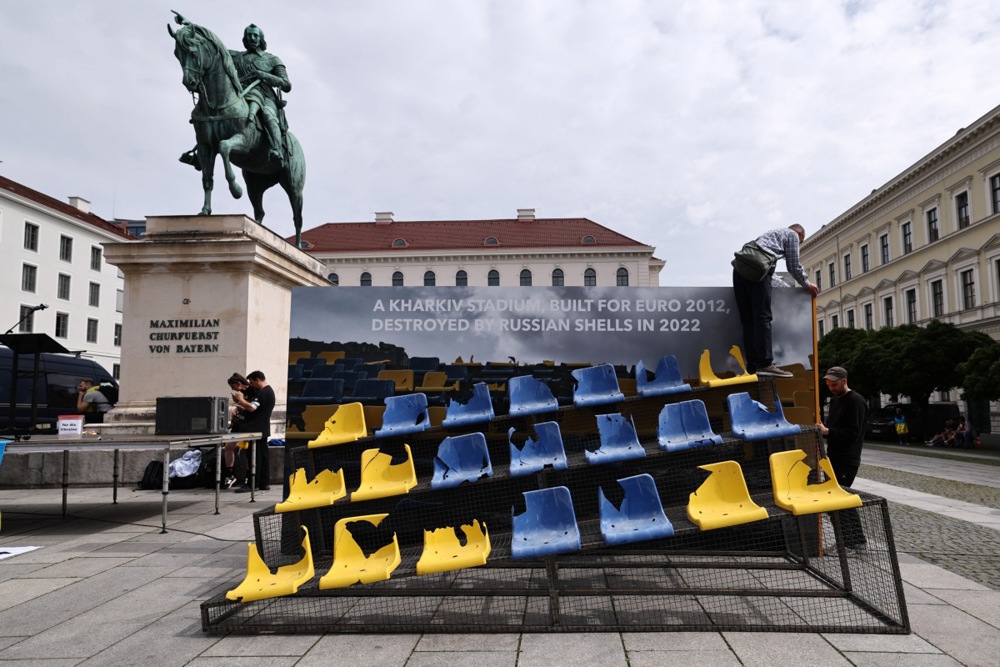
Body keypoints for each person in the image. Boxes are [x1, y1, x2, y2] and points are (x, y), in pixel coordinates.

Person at [732, 224, 820, 378]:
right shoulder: (792, 235)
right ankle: (765, 363)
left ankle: (753, 365)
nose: (798, 246)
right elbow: (793, 265)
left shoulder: (769, 236)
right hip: (757, 269)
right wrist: (806, 283)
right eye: (801, 242)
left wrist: (787, 287)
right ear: (800, 234)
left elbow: (769, 275)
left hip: (740, 268)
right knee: (763, 317)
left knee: (748, 320)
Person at [816, 366, 869, 551]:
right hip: (834, 456)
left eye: (834, 384)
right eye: (829, 385)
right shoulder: (836, 400)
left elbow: (853, 433)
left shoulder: (856, 401)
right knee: (836, 500)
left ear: (845, 381)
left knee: (841, 500)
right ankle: (848, 541)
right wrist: (825, 430)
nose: (831, 388)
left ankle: (853, 542)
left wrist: (829, 431)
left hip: (847, 459)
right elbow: (834, 427)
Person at [231, 370, 275, 492]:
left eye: (251, 382)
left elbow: (251, 408)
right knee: (263, 456)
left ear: (257, 380)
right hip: (262, 429)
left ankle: (252, 483)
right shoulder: (267, 392)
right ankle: (263, 483)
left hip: (255, 430)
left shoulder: (263, 393)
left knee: (254, 457)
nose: (250, 385)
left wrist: (240, 399)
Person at [222, 373, 254, 489]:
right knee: (228, 447)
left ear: (238, 384)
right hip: (238, 423)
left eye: (233, 387)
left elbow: (251, 407)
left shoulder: (252, 392)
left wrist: (240, 403)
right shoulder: (242, 394)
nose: (233, 389)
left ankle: (247, 476)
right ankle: (229, 474)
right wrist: (237, 406)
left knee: (246, 450)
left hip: (246, 424)